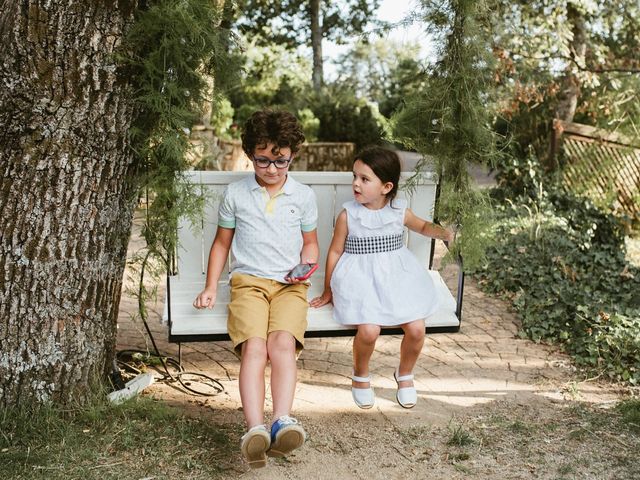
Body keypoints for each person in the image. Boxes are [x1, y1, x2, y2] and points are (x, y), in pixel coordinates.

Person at [193, 109, 319, 468]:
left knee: (281, 345)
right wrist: (210, 288)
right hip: (248, 283)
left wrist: (306, 266)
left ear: (292, 154)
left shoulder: (302, 195)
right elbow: (221, 244)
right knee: (255, 349)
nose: (272, 169)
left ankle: (282, 420)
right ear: (250, 155)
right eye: (263, 160)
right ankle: (255, 430)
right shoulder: (236, 193)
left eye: (281, 160)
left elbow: (311, 244)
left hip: (289, 287)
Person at [310, 146, 454, 410]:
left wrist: (444, 233)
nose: (355, 183)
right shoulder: (349, 215)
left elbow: (422, 226)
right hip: (360, 280)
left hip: (398, 279)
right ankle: (360, 374)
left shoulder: (399, 211)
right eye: (355, 176)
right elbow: (334, 251)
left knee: (416, 328)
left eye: (364, 179)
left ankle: (405, 373)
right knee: (369, 329)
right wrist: (327, 290)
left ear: (386, 187)